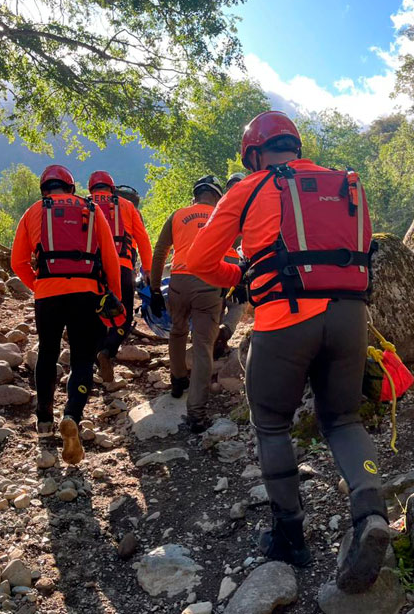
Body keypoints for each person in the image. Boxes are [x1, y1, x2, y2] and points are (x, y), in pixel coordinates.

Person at [185, 111, 388, 593]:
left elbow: (196, 261)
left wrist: (244, 279)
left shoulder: (250, 187)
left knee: (271, 422)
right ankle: (371, 513)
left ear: (253, 154)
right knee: (343, 419)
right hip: (350, 318)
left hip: (285, 319)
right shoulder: (345, 185)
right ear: (296, 146)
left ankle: (290, 537)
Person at [10, 164, 122, 465]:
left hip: (48, 293)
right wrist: (115, 299)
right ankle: (72, 414)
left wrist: (38, 284)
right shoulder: (91, 208)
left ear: (44, 189)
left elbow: (17, 261)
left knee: (47, 352)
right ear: (71, 188)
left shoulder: (34, 211)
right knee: (83, 357)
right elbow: (110, 256)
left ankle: (44, 421)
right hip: (87, 292)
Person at [149, 175, 238, 433]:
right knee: (202, 346)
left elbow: (160, 251)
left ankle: (177, 381)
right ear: (218, 197)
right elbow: (232, 257)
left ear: (195, 195)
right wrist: (234, 287)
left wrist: (155, 289)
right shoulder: (222, 217)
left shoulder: (178, 215)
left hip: (179, 282)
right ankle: (197, 415)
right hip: (209, 285)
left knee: (177, 331)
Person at [88, 171, 153, 383]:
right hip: (122, 266)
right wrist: (148, 270)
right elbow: (143, 240)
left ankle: (98, 361)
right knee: (123, 317)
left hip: (92, 270)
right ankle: (107, 351)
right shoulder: (127, 206)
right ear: (112, 188)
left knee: (96, 316)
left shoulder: (83, 204)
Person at [213, 172, 249, 359]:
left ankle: (212, 340)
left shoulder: (219, 206)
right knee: (236, 306)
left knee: (217, 304)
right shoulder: (252, 205)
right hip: (239, 264)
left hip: (217, 263)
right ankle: (224, 334)